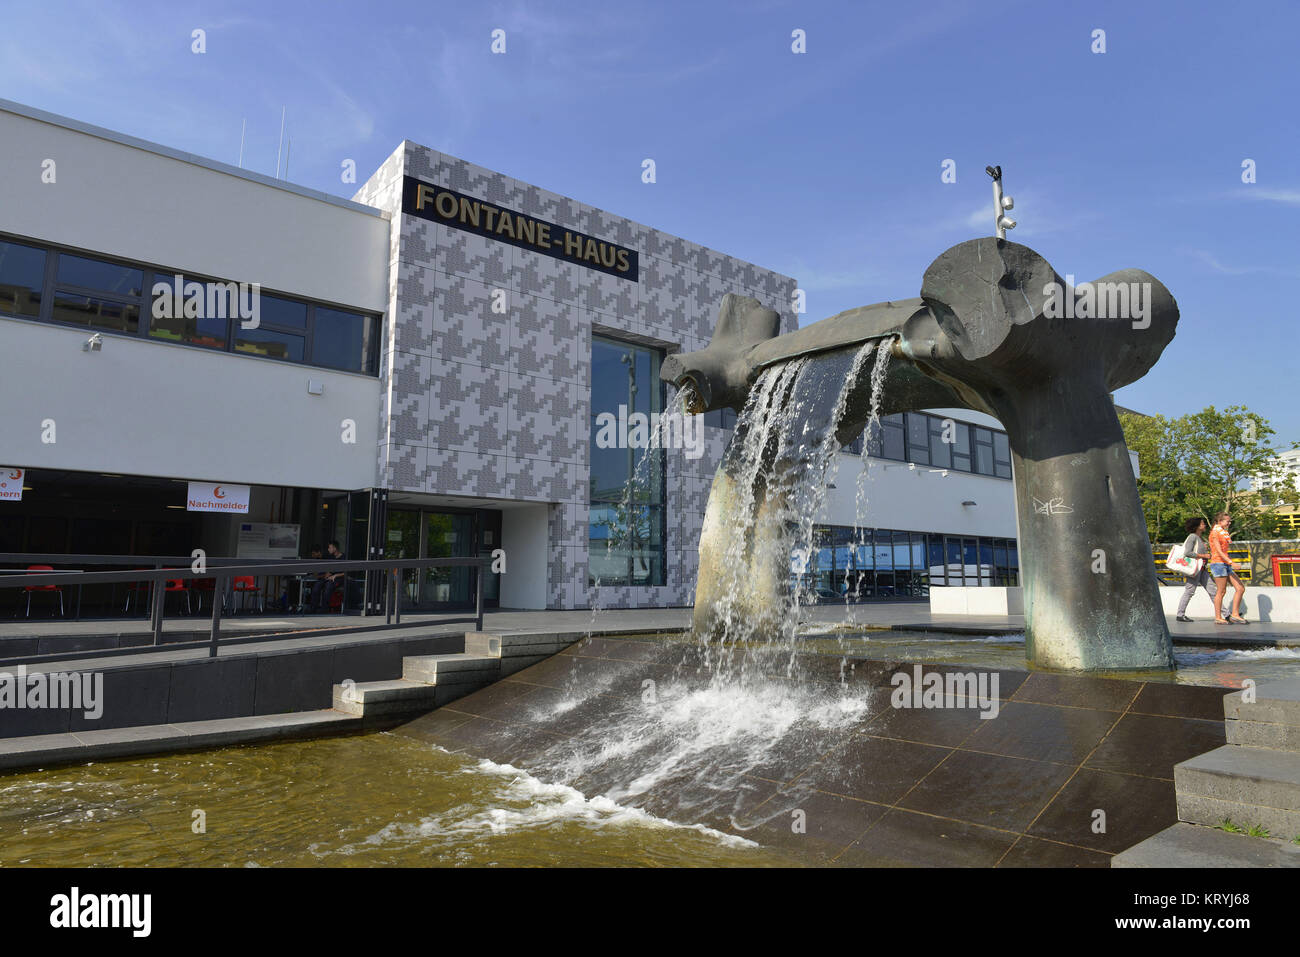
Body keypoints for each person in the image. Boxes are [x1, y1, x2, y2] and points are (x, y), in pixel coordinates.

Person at [1208, 512, 1248, 624]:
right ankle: (1218, 617)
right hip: (1218, 564)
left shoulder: (1223, 533)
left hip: (1225, 563)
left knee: (1240, 588)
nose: (1229, 523)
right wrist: (1232, 562)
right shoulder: (1215, 533)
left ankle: (1235, 614)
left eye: (1230, 521)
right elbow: (1219, 551)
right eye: (1227, 521)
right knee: (1221, 591)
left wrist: (1229, 563)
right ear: (1219, 522)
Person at [1175, 517, 1215, 622]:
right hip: (1195, 570)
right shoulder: (1192, 537)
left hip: (1202, 569)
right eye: (1202, 523)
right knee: (1190, 591)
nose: (1204, 525)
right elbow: (1187, 553)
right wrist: (1204, 555)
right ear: (1197, 526)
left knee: (1213, 591)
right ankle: (1180, 615)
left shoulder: (1199, 537)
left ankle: (1226, 614)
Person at [310, 540, 345, 613]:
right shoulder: (330, 557)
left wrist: (335, 575)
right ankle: (313, 608)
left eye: (330, 548)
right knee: (317, 585)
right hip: (329, 577)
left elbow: (346, 573)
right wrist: (327, 574)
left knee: (328, 586)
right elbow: (330, 569)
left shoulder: (344, 557)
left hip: (338, 578)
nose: (328, 549)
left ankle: (324, 609)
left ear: (335, 548)